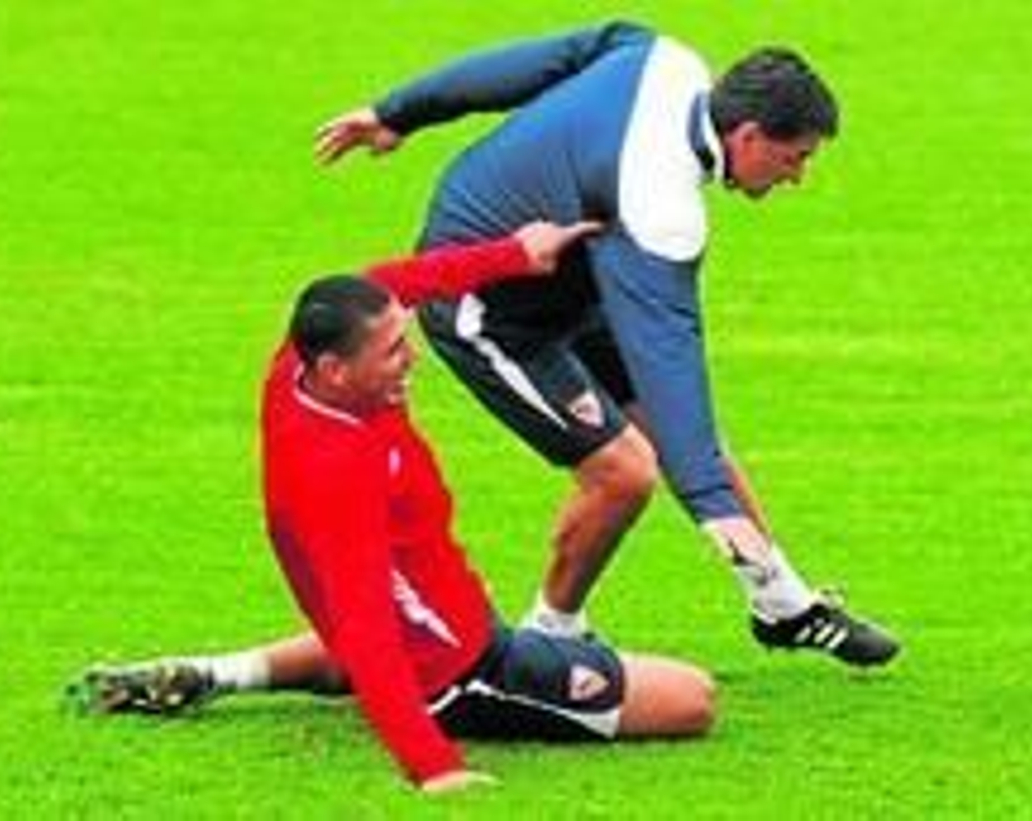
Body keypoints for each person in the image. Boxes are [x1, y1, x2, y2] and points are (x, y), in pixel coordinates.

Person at [312, 20, 899, 665]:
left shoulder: (661, 59)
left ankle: (781, 606)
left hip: (574, 272)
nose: (797, 177)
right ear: (749, 136)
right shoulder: (663, 209)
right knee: (623, 472)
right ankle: (550, 636)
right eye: (796, 158)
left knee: (695, 443)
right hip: (484, 304)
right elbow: (669, 358)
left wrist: (401, 112)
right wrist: (710, 507)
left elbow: (525, 62)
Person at [69, 222, 715, 793]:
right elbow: (367, 626)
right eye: (393, 353)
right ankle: (433, 700)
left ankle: (218, 671)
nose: (412, 361)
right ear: (334, 370)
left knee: (366, 638)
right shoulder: (337, 468)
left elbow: (394, 281)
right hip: (462, 668)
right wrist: (433, 765)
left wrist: (514, 253)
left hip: (431, 610)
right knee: (692, 698)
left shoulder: (299, 365)